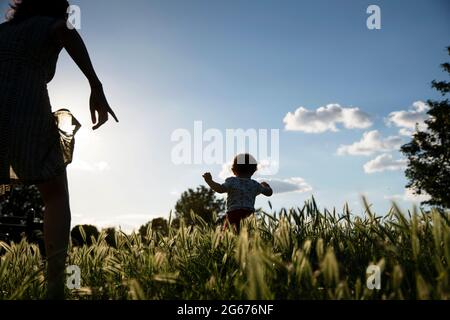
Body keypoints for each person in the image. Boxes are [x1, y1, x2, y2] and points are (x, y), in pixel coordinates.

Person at [0, 0, 118, 299]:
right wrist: (95, 84)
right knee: (54, 194)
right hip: (26, 110)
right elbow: (66, 31)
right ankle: (55, 285)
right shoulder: (48, 24)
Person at [202, 154, 273, 231]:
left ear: (233, 170)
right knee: (248, 238)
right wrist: (266, 186)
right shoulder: (255, 185)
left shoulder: (232, 181)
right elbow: (269, 193)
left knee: (229, 237)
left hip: (233, 214)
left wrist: (209, 181)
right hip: (249, 216)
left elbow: (220, 189)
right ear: (253, 171)